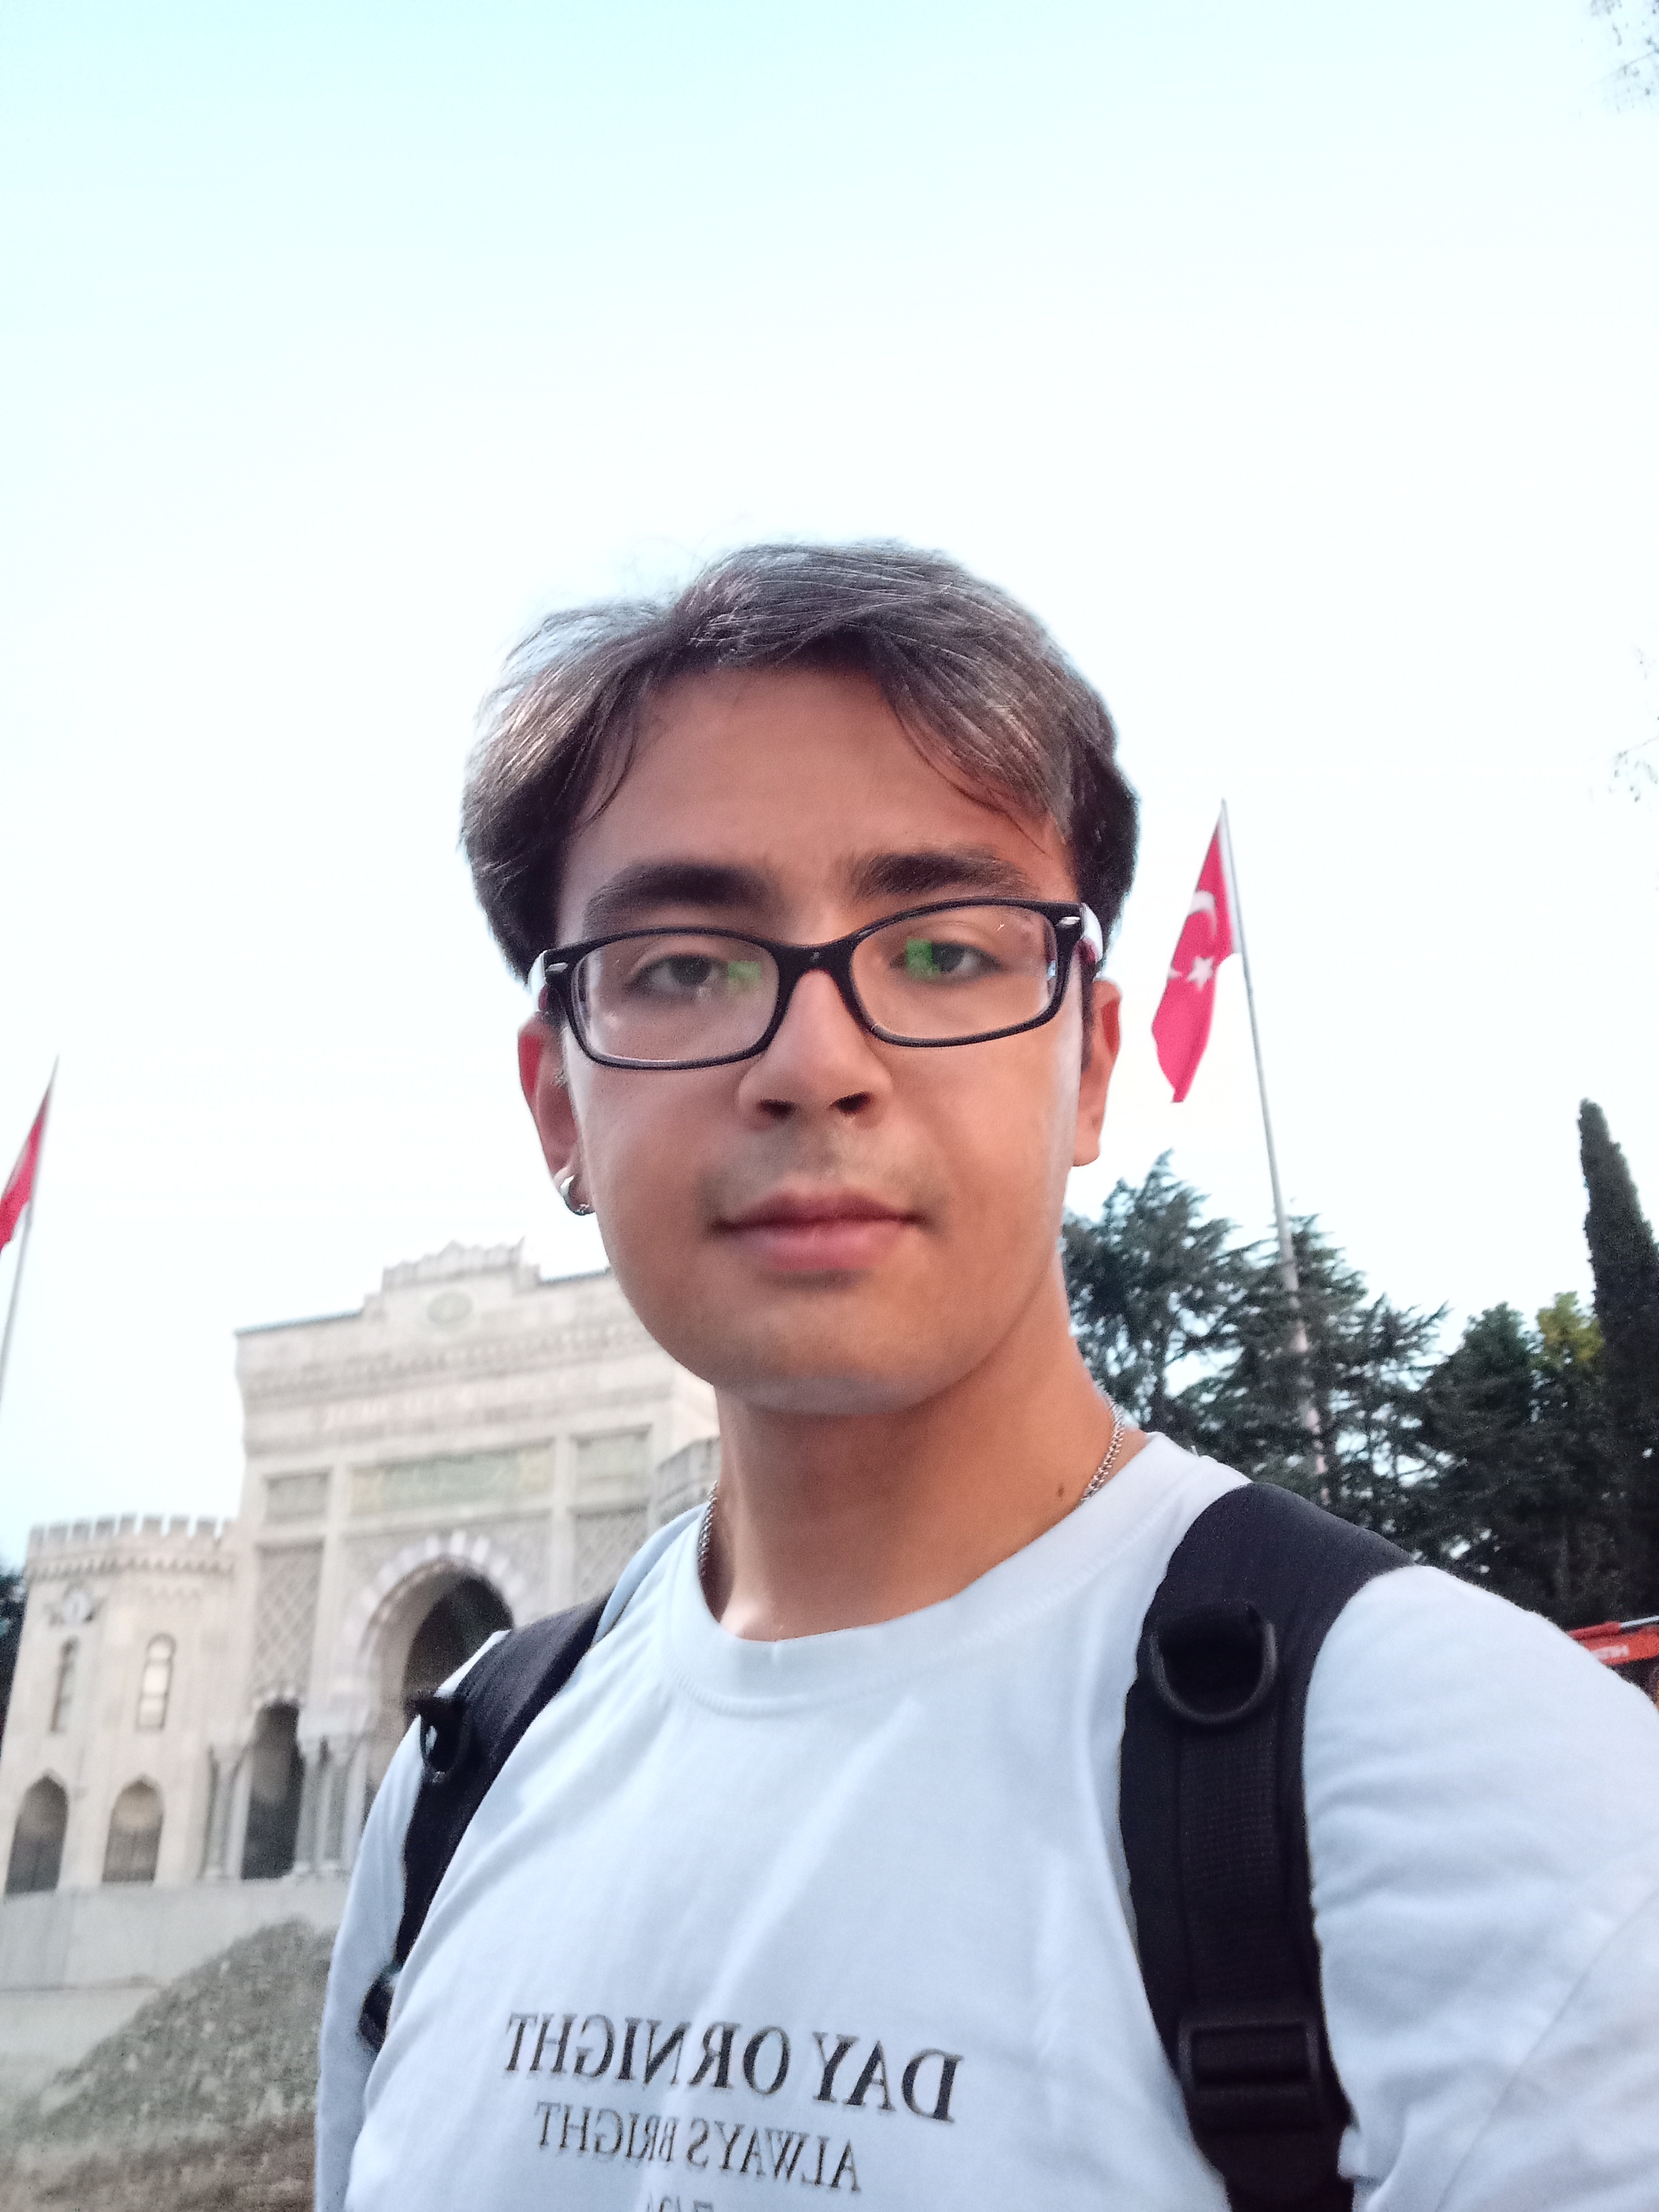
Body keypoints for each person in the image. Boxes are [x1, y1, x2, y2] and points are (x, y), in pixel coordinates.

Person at [317, 543, 1659, 2212]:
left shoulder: (1477, 1792)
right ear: (555, 1106)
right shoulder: (461, 1785)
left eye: (944, 950)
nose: (814, 1063)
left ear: (1089, 1065)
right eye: (683, 966)